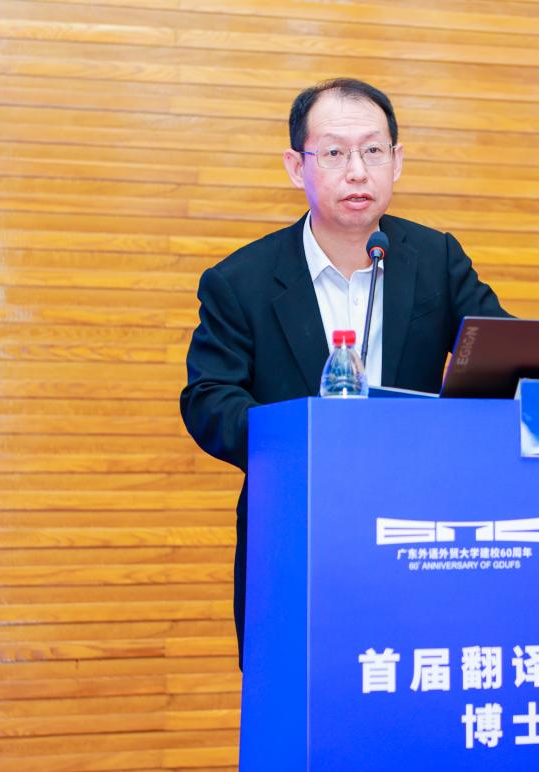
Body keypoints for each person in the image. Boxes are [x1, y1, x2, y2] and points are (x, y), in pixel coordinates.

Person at [180, 78, 509, 666]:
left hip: (421, 527)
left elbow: (503, 358)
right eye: (334, 152)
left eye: (373, 150)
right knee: (300, 693)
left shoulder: (437, 259)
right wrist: (303, 438)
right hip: (297, 528)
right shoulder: (240, 281)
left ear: (396, 161)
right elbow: (209, 398)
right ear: (296, 166)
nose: (357, 171)